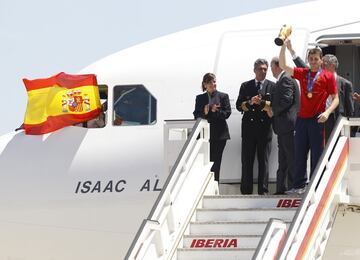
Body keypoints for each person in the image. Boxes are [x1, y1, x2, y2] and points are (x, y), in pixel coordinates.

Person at [279, 39, 339, 194]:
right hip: (301, 120)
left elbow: (336, 98)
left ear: (321, 60)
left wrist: (327, 112)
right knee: (299, 153)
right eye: (311, 59)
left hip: (317, 119)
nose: (313, 62)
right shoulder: (303, 73)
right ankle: (299, 186)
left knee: (317, 154)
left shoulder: (328, 76)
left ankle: (315, 186)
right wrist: (284, 47)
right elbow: (283, 66)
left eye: (316, 59)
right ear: (308, 60)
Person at [287, 41, 355, 140]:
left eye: (324, 63)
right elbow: (301, 65)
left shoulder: (345, 84)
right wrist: (291, 51)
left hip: (334, 119)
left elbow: (350, 109)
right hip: (317, 118)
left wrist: (350, 128)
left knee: (333, 147)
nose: (321, 64)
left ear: (333, 65)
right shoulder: (314, 75)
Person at [236, 58, 275, 195]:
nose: (262, 71)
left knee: (263, 162)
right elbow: (239, 106)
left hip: (264, 129)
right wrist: (250, 102)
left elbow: (275, 106)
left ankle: (263, 191)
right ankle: (246, 191)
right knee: (247, 161)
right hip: (249, 129)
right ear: (254, 70)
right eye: (260, 69)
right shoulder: (245, 86)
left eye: (265, 69)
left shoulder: (272, 86)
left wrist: (262, 102)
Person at [269, 57, 299, 195]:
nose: (271, 70)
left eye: (271, 67)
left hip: (287, 126)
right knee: (283, 159)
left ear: (277, 66)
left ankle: (293, 187)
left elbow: (287, 99)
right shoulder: (283, 79)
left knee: (290, 158)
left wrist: (274, 110)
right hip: (283, 127)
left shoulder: (286, 79)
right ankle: (281, 188)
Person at [193, 73, 231, 182]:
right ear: (205, 84)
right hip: (204, 135)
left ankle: (215, 185)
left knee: (216, 162)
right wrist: (205, 112)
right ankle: (205, 185)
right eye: (210, 82)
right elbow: (196, 114)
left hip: (219, 135)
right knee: (204, 162)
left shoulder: (223, 96)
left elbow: (227, 113)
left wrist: (215, 111)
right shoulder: (200, 98)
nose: (213, 84)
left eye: (214, 81)